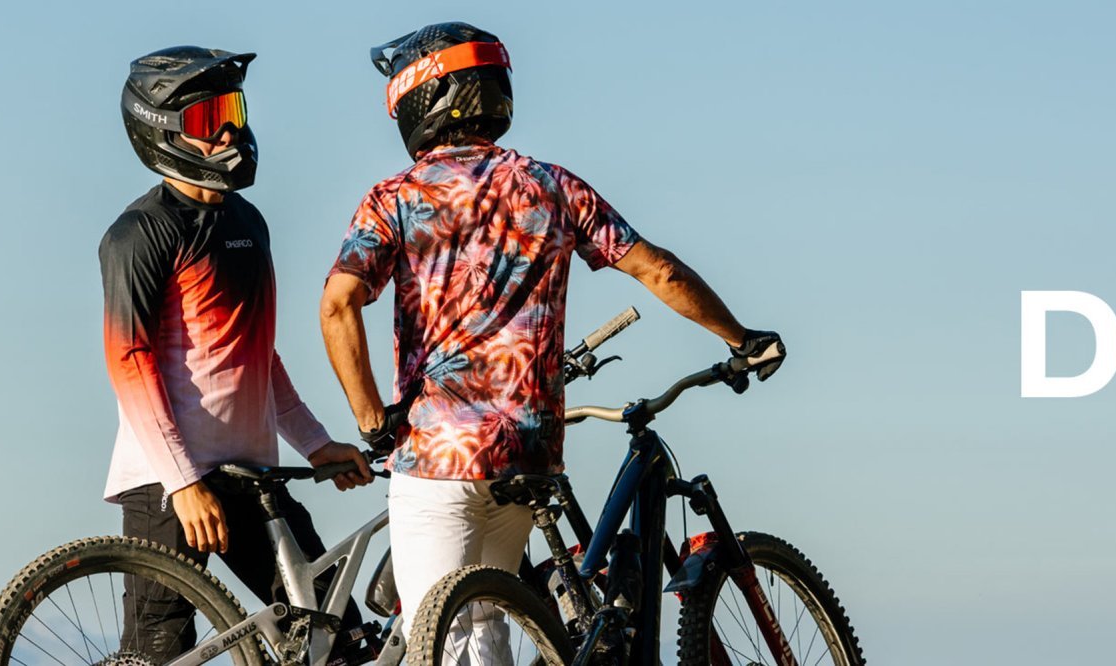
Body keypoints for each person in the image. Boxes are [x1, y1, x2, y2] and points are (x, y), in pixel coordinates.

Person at [318, 22, 782, 662]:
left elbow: (338, 304)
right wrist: (741, 336)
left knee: (438, 638)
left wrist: (372, 418)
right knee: (485, 625)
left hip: (438, 456)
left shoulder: (394, 200)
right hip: (527, 454)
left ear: (419, 102)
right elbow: (658, 270)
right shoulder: (552, 185)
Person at [102, 45, 376, 662]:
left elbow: (257, 356)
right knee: (159, 652)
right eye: (208, 120)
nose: (229, 131)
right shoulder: (139, 233)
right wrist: (183, 483)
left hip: (252, 473)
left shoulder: (248, 221)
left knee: (338, 637)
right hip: (168, 481)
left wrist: (315, 443)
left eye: (233, 111)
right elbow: (129, 360)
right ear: (162, 130)